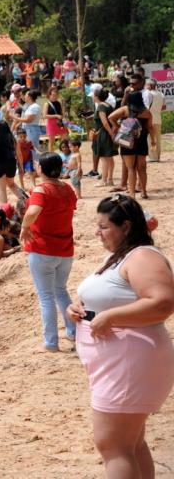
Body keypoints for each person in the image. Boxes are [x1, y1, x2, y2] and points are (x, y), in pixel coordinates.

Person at [67, 195, 174, 478]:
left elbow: (163, 302)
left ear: (125, 226)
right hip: (119, 363)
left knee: (113, 445)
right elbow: (112, 297)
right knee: (131, 443)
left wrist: (111, 317)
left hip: (129, 364)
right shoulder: (122, 255)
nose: (96, 232)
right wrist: (80, 310)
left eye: (103, 227)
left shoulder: (142, 256)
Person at [109, 90, 151, 199]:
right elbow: (150, 127)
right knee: (142, 168)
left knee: (131, 168)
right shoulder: (147, 112)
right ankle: (143, 192)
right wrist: (154, 140)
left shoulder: (125, 110)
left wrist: (117, 127)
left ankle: (132, 193)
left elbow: (110, 117)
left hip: (127, 140)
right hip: (141, 141)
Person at [0, 120, 23, 204]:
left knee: (1, 189)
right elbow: (19, 154)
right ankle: (26, 199)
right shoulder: (13, 139)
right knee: (12, 184)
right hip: (10, 164)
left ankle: (4, 210)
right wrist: (21, 166)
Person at [144, 78, 163, 162]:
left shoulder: (148, 94)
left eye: (146, 84)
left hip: (150, 119)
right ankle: (157, 157)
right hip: (158, 118)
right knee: (157, 139)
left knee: (150, 138)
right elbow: (164, 106)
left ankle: (152, 157)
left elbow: (146, 107)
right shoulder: (161, 94)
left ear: (150, 85)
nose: (145, 86)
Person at [44, 87, 67, 151]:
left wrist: (64, 113)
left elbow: (62, 113)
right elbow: (45, 116)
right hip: (51, 123)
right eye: (53, 95)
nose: (55, 96)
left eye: (56, 95)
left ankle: (63, 154)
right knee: (51, 141)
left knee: (65, 139)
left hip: (60, 122)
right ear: (49, 95)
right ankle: (51, 156)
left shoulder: (59, 103)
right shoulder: (47, 104)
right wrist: (56, 115)